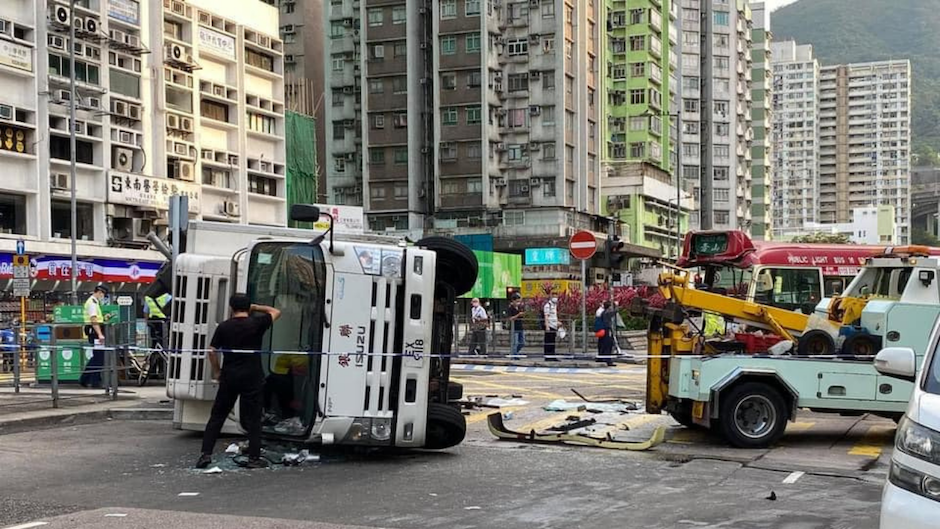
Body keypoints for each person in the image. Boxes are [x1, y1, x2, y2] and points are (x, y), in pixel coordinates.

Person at [196, 294, 281, 469]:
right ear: (248, 307)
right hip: (252, 376)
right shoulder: (257, 324)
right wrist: (256, 307)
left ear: (231, 307)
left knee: (217, 415)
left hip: (230, 375)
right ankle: (254, 458)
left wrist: (217, 371)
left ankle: (205, 454)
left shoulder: (224, 327)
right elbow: (275, 311)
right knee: (253, 418)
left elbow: (212, 351)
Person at [79, 285, 109, 388]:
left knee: (97, 356)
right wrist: (100, 334)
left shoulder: (94, 302)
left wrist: (104, 318)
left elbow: (96, 319)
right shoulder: (92, 303)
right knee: (99, 357)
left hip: (94, 331)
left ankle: (85, 379)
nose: (103, 296)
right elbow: (93, 319)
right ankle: (93, 381)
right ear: (99, 292)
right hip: (95, 332)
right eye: (103, 294)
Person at [595, 301, 618, 366]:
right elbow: (615, 311)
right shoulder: (607, 312)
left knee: (602, 344)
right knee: (608, 345)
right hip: (607, 330)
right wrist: (616, 305)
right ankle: (608, 360)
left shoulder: (602, 312)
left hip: (602, 330)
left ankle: (600, 358)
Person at [507, 294, 526, 359]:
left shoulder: (519, 307)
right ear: (513, 301)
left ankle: (514, 353)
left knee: (522, 342)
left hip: (520, 326)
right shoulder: (510, 308)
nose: (518, 303)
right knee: (514, 343)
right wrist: (518, 315)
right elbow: (510, 318)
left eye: (519, 301)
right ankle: (514, 356)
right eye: (517, 301)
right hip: (514, 328)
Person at [543, 295, 559, 360]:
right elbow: (546, 316)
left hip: (554, 326)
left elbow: (554, 316)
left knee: (552, 342)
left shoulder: (554, 306)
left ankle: (552, 355)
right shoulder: (547, 306)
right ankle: (547, 356)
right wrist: (547, 326)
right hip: (550, 326)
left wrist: (557, 322)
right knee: (548, 342)